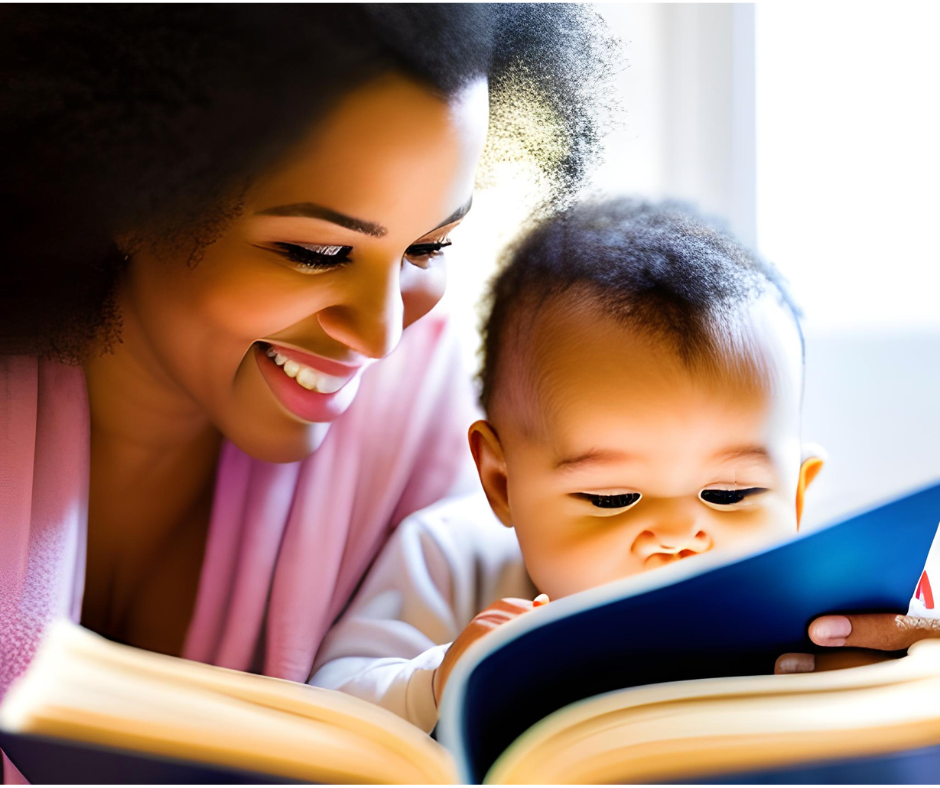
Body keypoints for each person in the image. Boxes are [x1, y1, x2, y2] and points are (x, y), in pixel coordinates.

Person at [0, 6, 619, 783]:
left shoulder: (421, 394)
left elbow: (530, 619)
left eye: (429, 246)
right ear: (125, 190)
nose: (382, 333)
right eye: (317, 252)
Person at [309, 198, 826, 731]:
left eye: (729, 494)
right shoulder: (451, 558)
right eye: (612, 498)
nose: (678, 536)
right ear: (502, 482)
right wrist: (439, 681)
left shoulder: (810, 603)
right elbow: (330, 709)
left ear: (797, 495)